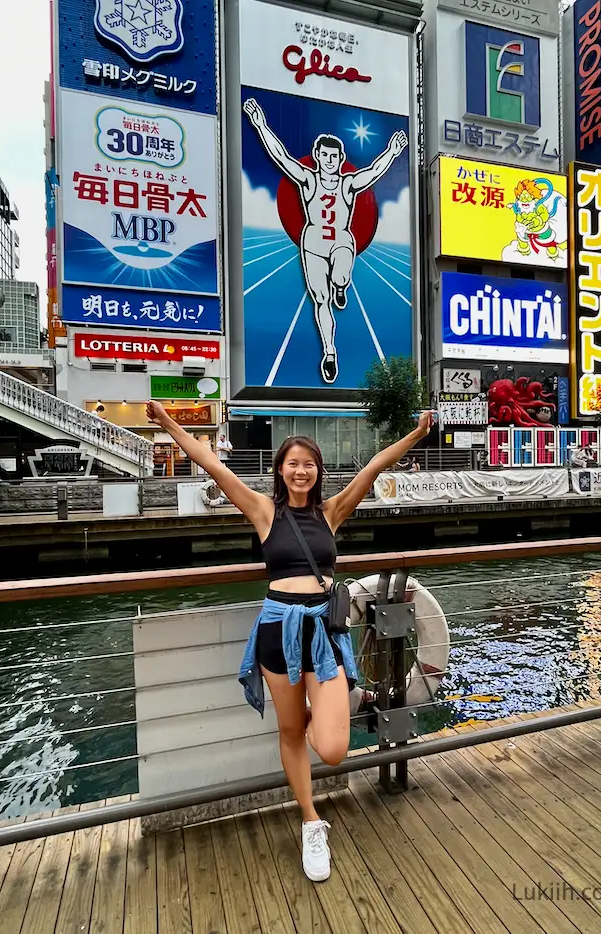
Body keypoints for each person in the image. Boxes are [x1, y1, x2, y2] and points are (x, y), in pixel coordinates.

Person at [145, 399, 434, 882]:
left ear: (318, 471)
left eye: (309, 465)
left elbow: (375, 465)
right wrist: (169, 422)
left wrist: (416, 436)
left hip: (323, 631)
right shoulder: (263, 510)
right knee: (289, 732)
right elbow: (211, 463)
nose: (301, 471)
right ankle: (310, 820)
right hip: (278, 631)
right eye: (292, 464)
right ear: (280, 470)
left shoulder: (331, 512)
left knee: (334, 746)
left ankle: (323, 706)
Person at [243, 98, 407, 385]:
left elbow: (372, 173)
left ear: (340, 159)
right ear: (317, 156)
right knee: (320, 299)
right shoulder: (307, 179)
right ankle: (330, 352)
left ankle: (341, 285)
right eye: (325, 155)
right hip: (314, 240)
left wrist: (392, 153)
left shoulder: (347, 183)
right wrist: (260, 124)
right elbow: (281, 157)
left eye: (335, 156)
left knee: (341, 275)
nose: (330, 161)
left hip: (341, 238)